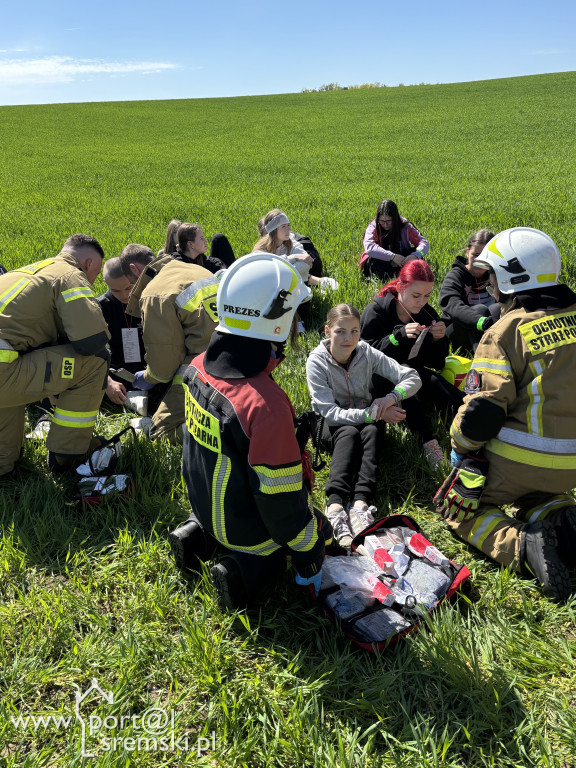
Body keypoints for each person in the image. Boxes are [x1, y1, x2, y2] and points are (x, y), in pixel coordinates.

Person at [169, 253, 333, 610]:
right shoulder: (264, 406)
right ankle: (240, 570)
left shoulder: (197, 368)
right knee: (317, 532)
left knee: (226, 519)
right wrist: (310, 554)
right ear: (275, 322)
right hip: (244, 527)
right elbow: (281, 504)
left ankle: (196, 536)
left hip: (205, 505)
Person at [434, 227, 576, 602]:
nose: (490, 284)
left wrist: (459, 445)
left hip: (517, 459)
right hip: (571, 466)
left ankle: (523, 547)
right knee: (538, 493)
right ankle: (560, 518)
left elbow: (483, 412)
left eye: (493, 275)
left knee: (455, 505)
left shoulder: (504, 331)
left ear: (513, 278)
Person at [306, 303, 421, 547]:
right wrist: (373, 413)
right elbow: (330, 412)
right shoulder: (316, 361)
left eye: (355, 331)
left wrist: (390, 399)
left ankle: (360, 504)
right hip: (327, 424)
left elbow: (411, 377)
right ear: (327, 331)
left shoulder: (366, 352)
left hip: (364, 417)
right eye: (340, 331)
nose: (349, 338)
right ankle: (335, 505)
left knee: (374, 427)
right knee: (349, 432)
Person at [0, 234, 110, 476]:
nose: (93, 281)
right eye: (95, 273)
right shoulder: (70, 275)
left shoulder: (28, 272)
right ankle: (66, 455)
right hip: (3, 370)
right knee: (96, 361)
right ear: (89, 264)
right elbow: (91, 341)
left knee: (4, 460)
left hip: (6, 362)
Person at [360, 260, 463, 470]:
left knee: (438, 384)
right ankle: (428, 443)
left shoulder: (427, 313)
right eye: (416, 296)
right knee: (408, 392)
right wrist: (396, 338)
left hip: (415, 373)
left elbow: (437, 363)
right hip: (380, 380)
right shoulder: (375, 313)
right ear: (400, 288)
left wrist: (439, 340)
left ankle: (472, 419)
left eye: (427, 296)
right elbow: (363, 357)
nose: (422, 302)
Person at [132, 248, 220, 443]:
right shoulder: (198, 271)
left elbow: (164, 367)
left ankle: (226, 431)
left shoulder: (154, 293)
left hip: (204, 367)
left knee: (161, 433)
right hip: (238, 353)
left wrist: (149, 376)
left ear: (135, 271)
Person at [98, 254, 149, 406]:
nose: (124, 295)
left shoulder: (147, 301)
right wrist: (107, 382)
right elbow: (92, 352)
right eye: (116, 291)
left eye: (129, 288)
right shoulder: (100, 307)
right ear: (106, 283)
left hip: (148, 370)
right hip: (116, 373)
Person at [439, 229, 501, 354]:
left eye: (485, 256)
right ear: (467, 252)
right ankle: (482, 361)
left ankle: (500, 355)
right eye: (475, 255)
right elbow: (452, 305)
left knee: (497, 308)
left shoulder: (496, 275)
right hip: (458, 332)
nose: (480, 261)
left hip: (489, 329)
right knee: (479, 310)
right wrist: (481, 321)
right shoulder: (456, 276)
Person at [254, 209, 337, 292]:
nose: (288, 230)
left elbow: (306, 264)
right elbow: (261, 268)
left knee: (314, 267)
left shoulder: (293, 242)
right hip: (288, 277)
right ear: (273, 231)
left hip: (305, 248)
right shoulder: (259, 249)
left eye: (288, 225)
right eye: (283, 226)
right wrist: (294, 257)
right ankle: (317, 281)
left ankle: (319, 281)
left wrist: (275, 274)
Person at [360, 200, 429, 281]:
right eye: (382, 221)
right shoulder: (373, 227)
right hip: (382, 260)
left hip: (402, 259)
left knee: (419, 257)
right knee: (373, 260)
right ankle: (393, 279)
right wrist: (392, 257)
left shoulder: (405, 226)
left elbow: (424, 243)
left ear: (395, 218)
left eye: (389, 221)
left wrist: (416, 255)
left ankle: (407, 276)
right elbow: (369, 248)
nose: (385, 224)